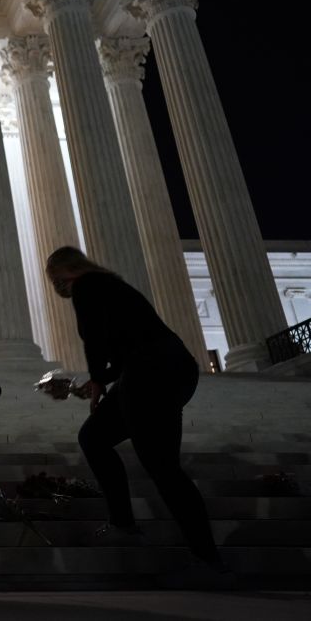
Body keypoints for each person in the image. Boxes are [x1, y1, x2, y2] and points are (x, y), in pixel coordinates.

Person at [45, 246, 233, 586]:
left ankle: (208, 560)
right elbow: (126, 345)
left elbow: (95, 340)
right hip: (167, 367)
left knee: (162, 467)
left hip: (151, 371)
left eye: (56, 281)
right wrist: (98, 380)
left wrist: (99, 379)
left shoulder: (86, 286)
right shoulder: (112, 286)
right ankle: (123, 524)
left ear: (62, 274)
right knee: (95, 437)